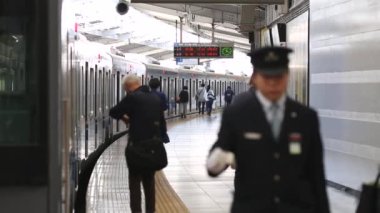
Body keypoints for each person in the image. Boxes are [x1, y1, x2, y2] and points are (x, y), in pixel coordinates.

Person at [206, 47, 330, 213]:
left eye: (278, 76)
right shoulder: (236, 114)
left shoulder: (306, 117)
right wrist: (218, 160)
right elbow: (218, 158)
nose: (273, 82)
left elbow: (316, 174)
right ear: (255, 78)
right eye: (266, 76)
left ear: (287, 76)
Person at [109, 75, 166, 213]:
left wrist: (125, 118)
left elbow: (114, 112)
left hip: (136, 148)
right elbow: (162, 123)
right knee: (149, 183)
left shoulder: (133, 97)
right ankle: (150, 211)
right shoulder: (156, 98)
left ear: (128, 88)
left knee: (134, 184)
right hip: (153, 147)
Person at [149, 78, 170, 143]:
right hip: (159, 118)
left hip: (147, 119)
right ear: (158, 86)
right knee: (160, 135)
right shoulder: (161, 95)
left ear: (149, 85)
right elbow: (165, 107)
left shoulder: (146, 94)